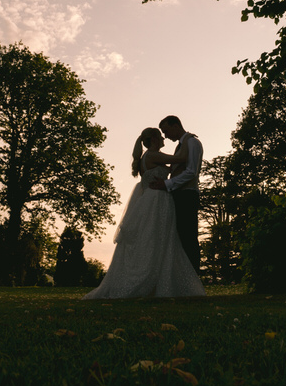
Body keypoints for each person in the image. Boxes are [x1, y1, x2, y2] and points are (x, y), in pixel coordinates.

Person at [82, 127, 205, 299]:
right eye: (161, 136)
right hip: (157, 201)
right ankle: (148, 280)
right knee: (156, 239)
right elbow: (181, 158)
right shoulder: (153, 155)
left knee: (153, 240)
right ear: (154, 139)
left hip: (152, 199)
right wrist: (187, 138)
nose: (163, 139)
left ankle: (156, 281)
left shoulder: (146, 158)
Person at [149, 116, 203, 272]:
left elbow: (191, 172)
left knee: (188, 237)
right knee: (179, 237)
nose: (165, 136)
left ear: (176, 125)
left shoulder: (192, 143)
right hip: (178, 195)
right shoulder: (181, 146)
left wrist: (166, 184)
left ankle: (193, 277)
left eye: (166, 131)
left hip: (187, 195)